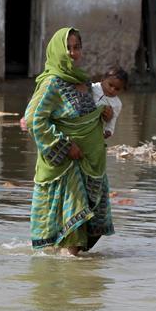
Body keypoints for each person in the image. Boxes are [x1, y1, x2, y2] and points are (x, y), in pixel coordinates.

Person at [24, 27, 114, 255]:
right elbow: (34, 119)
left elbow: (82, 118)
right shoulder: (52, 84)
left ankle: (72, 279)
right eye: (68, 48)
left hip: (90, 165)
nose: (73, 53)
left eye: (77, 47)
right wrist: (63, 146)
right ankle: (68, 278)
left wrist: (104, 115)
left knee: (86, 229)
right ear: (57, 51)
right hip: (66, 168)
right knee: (72, 231)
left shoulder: (84, 82)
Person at [91, 65, 127, 138]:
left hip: (94, 126)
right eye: (110, 85)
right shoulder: (93, 88)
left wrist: (109, 131)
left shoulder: (117, 104)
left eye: (117, 89)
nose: (112, 90)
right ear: (102, 80)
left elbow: (113, 120)